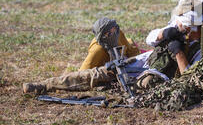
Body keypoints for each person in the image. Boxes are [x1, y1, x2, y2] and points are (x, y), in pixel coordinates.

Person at [22, 17, 150, 95]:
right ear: (102, 36)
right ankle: (43, 85)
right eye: (108, 33)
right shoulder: (98, 50)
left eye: (114, 29)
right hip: (108, 70)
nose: (113, 33)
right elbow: (83, 74)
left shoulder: (118, 32)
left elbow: (132, 51)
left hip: (129, 67)